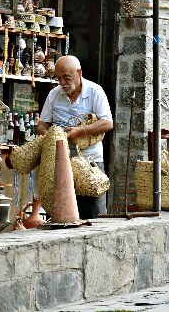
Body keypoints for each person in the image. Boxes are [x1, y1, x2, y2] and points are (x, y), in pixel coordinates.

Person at [35, 55, 113, 219]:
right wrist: (52, 136)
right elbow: (41, 125)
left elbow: (107, 123)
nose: (62, 83)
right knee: (62, 213)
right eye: (59, 78)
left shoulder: (94, 91)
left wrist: (80, 131)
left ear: (79, 73)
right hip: (61, 161)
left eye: (66, 77)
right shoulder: (54, 95)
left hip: (90, 161)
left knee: (95, 213)